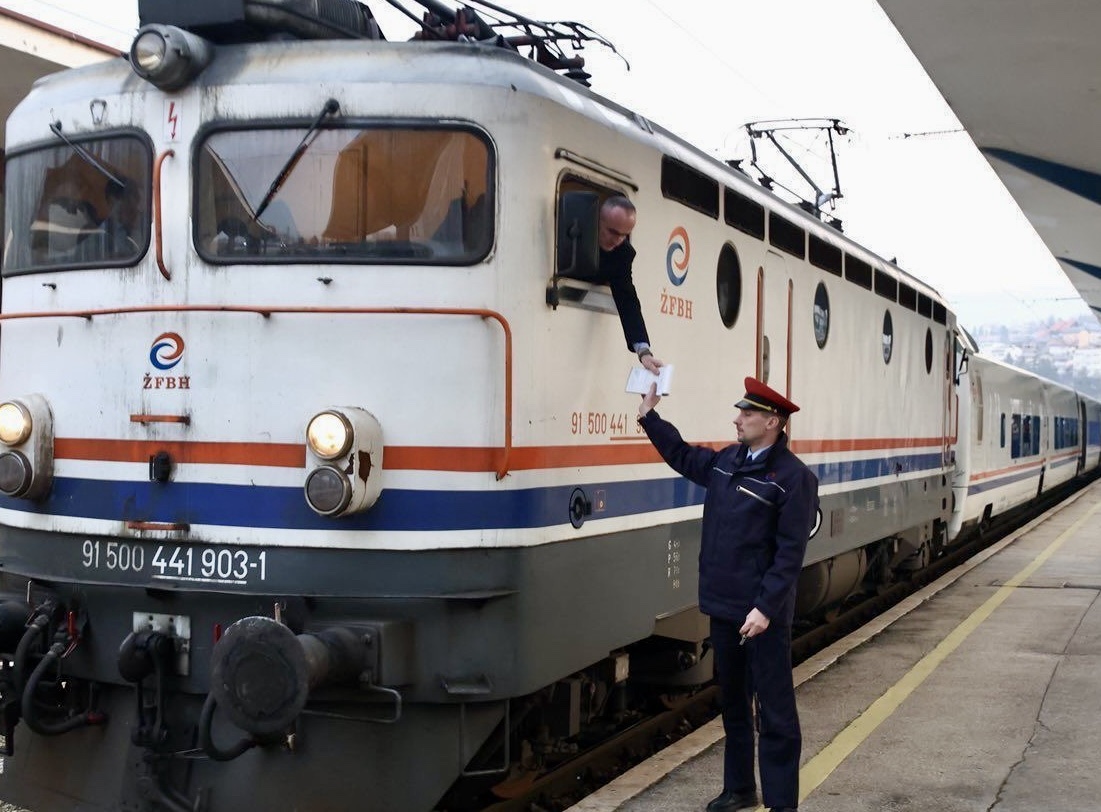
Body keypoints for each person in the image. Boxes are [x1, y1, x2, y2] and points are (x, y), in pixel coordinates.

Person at [637, 377, 819, 812]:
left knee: (773, 711)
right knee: (734, 704)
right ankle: (739, 789)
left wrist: (765, 608)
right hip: (723, 608)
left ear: (772, 422)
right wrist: (649, 415)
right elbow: (681, 456)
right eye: (740, 412)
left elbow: (790, 554)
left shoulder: (794, 479)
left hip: (760, 616)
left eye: (748, 413)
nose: (738, 419)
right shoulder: (727, 462)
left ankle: (781, 803)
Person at [596, 195, 663, 373]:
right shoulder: (575, 229)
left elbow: (628, 300)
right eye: (613, 232)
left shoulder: (623, 253)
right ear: (598, 221)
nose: (618, 241)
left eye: (625, 235)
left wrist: (644, 351)